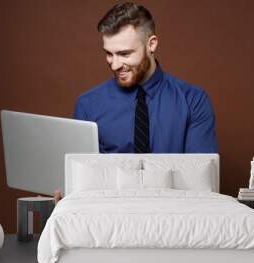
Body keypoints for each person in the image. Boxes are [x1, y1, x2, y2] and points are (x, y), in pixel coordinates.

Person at [74, 2, 218, 153]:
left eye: (124, 54)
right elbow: (81, 174)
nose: (115, 65)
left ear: (151, 44)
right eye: (109, 54)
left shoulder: (193, 101)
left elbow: (199, 173)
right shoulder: (88, 106)